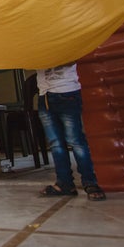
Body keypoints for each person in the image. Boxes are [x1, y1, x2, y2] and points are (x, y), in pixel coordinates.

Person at [37, 63, 106, 201]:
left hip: (67, 92)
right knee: (56, 144)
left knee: (76, 141)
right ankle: (65, 184)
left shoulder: (64, 42)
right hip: (44, 96)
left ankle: (90, 182)